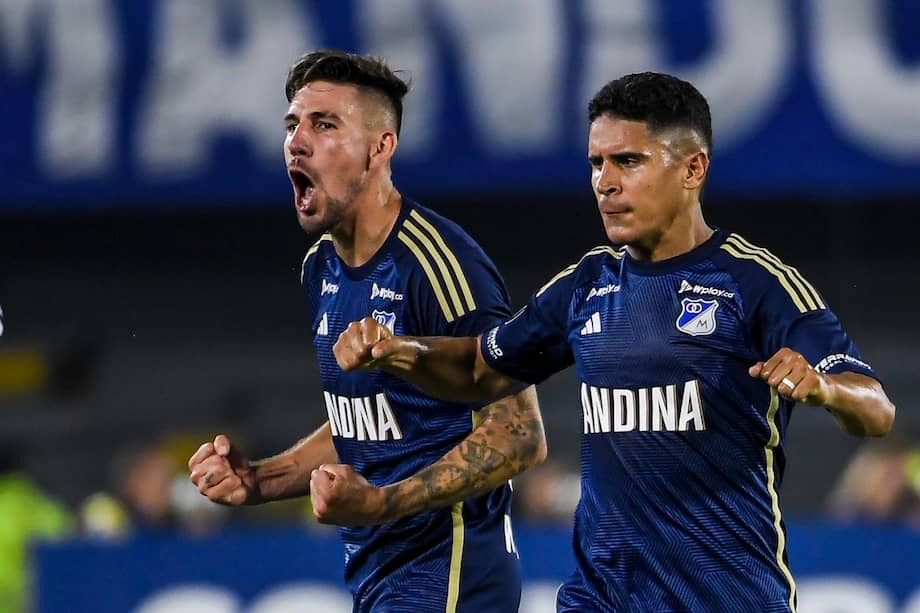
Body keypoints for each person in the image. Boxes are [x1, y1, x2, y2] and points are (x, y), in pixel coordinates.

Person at [333, 72, 897, 611]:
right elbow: (482, 369)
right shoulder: (586, 285)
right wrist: (402, 352)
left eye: (628, 161)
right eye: (596, 163)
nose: (605, 182)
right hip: (599, 598)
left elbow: (877, 410)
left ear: (693, 168)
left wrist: (825, 387)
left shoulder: (753, 282)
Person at [187, 49, 546, 612]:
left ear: (381, 148)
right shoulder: (320, 267)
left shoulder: (438, 263)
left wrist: (381, 503)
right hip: (381, 578)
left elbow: (519, 434)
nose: (296, 141)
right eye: (292, 125)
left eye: (324, 124)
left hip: (450, 572)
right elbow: (371, 424)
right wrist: (258, 480)